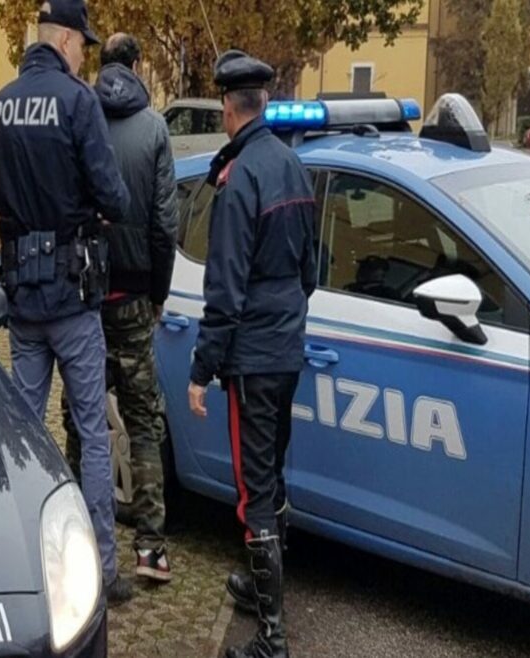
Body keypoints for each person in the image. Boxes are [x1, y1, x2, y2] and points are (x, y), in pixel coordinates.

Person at [0, 0, 134, 605]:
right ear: (67, 41)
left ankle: (22, 564)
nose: (83, 57)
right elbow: (115, 197)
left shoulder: (0, 104)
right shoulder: (78, 102)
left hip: (23, 300)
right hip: (73, 299)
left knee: (24, 434)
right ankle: (103, 568)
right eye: (83, 46)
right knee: (92, 433)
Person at [187, 50, 317, 658]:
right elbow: (310, 270)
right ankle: (262, 589)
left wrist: (201, 369)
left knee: (253, 491)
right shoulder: (293, 164)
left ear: (226, 108)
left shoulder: (239, 179)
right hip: (287, 351)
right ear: (261, 102)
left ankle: (272, 639)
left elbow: (225, 288)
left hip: (253, 358)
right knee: (274, 474)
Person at [60, 32, 179, 584]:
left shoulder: (77, 115)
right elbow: (164, 223)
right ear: (135, 65)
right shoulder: (154, 128)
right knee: (143, 420)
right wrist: (158, 292)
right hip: (132, 297)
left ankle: (75, 537)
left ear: (101, 63)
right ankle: (150, 550)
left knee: (80, 418)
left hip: (84, 296)